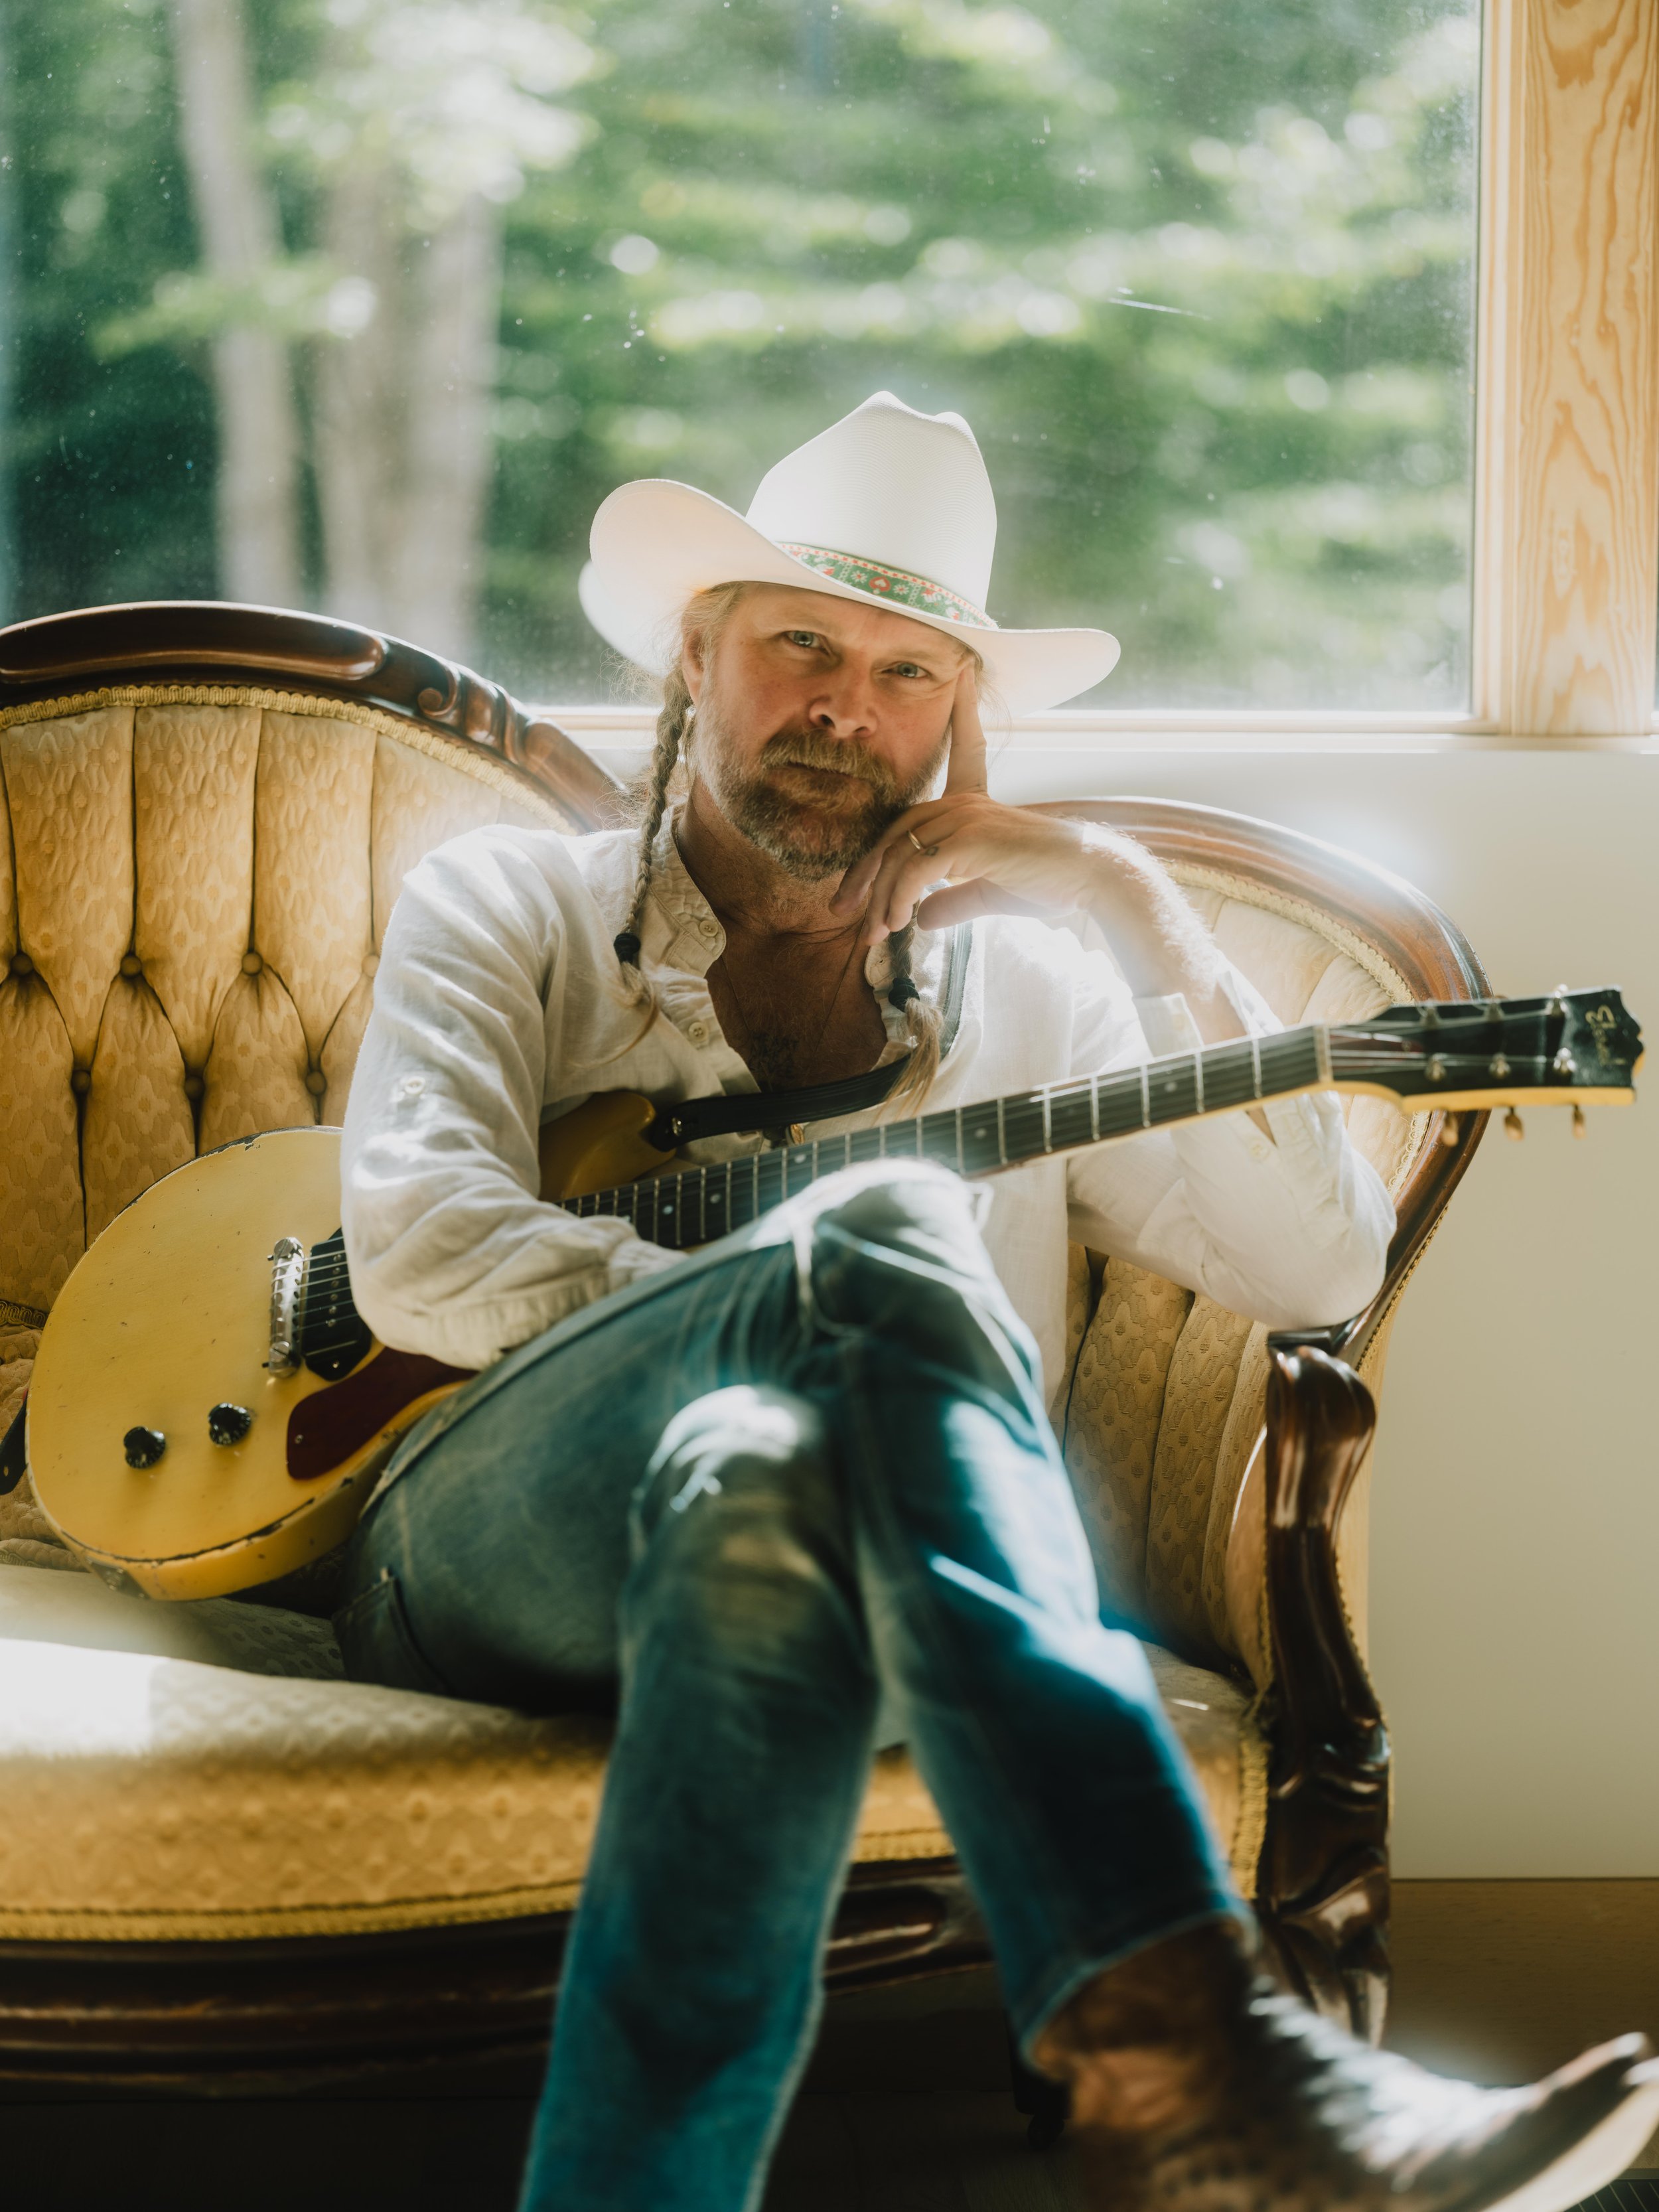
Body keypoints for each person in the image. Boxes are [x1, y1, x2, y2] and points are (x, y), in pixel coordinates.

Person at [337, 394, 1656, 2211]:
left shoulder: (1037, 995)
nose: (841, 707)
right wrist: (781, 1296)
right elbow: (417, 1247)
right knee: (878, 1235)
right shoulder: (508, 906)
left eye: (904, 672)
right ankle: (1187, 2043)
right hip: (476, 1535)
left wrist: (1147, 923)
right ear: (695, 660)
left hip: (835, 1560)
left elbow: (1317, 1270)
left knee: (755, 1491)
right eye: (798, 641)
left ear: (958, 725)